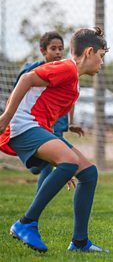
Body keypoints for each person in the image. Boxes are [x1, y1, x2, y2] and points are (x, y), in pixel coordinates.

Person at [0, 27, 109, 253]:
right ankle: (26, 223)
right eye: (101, 56)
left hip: (37, 127)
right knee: (69, 161)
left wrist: (60, 161)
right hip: (23, 125)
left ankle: (80, 243)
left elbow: (45, 111)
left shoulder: (74, 82)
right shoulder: (66, 68)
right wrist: (6, 117)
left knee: (88, 173)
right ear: (89, 52)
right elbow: (27, 78)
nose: (102, 62)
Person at [13, 31, 84, 194]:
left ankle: (38, 201)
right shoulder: (31, 71)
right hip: (33, 125)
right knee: (41, 166)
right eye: (54, 48)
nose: (58, 52)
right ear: (43, 51)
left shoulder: (66, 71)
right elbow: (17, 94)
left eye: (61, 48)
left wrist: (70, 123)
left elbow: (70, 99)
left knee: (52, 164)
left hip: (55, 125)